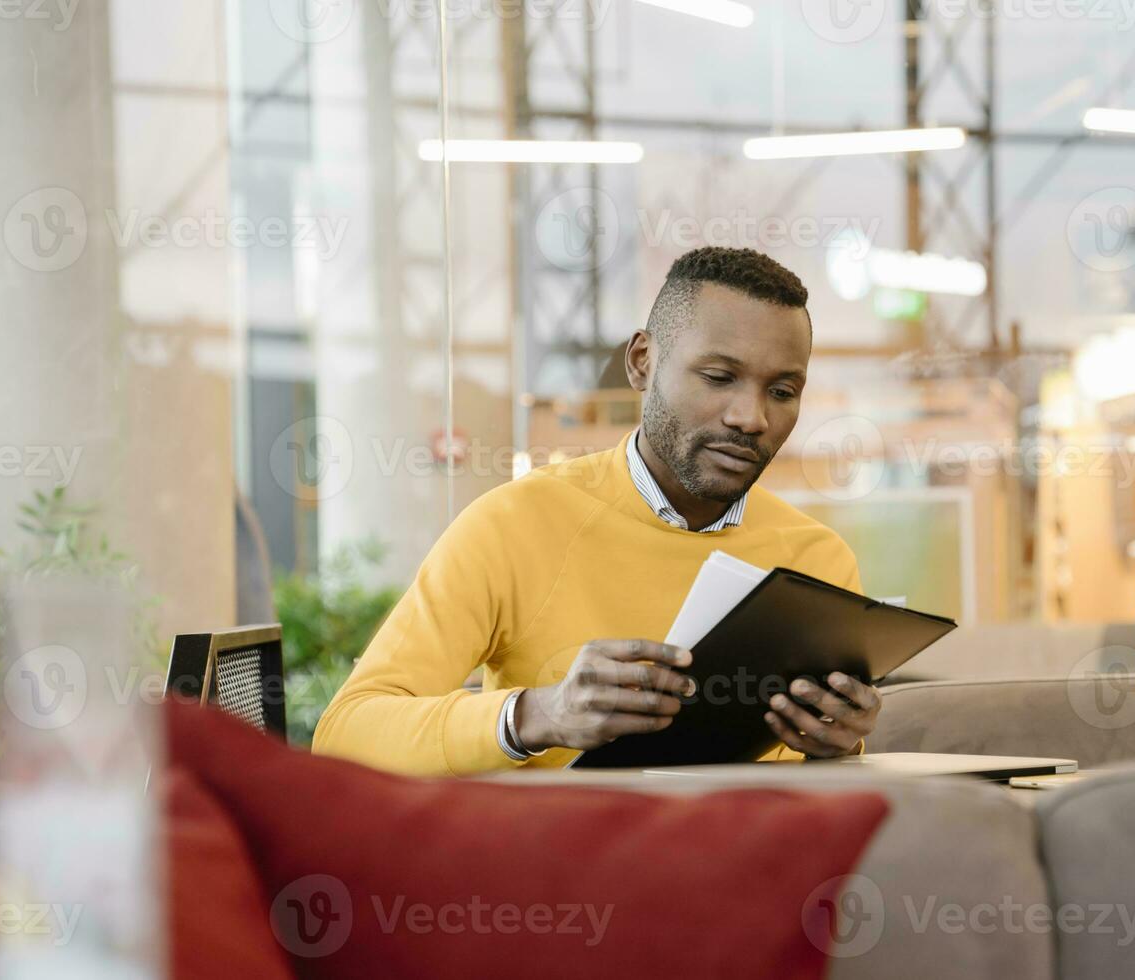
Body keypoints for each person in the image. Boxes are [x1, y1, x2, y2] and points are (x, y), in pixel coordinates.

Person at [313, 247, 881, 776]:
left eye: (782, 391)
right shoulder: (515, 525)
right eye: (718, 377)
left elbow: (822, 787)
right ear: (641, 362)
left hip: (757, 865)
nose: (750, 417)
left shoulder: (818, 559)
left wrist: (839, 745)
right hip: (567, 871)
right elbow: (345, 735)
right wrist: (537, 716)